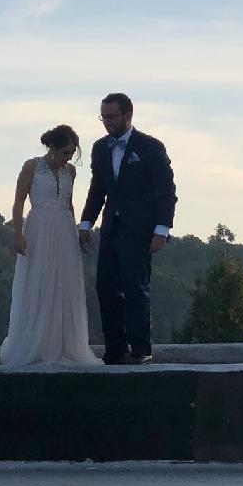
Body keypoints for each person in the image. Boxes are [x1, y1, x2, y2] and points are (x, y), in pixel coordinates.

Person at [78, 93, 178, 366]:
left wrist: (161, 230)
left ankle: (140, 349)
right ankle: (115, 350)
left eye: (112, 116)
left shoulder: (150, 147)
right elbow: (98, 189)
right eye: (103, 117)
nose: (107, 122)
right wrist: (86, 224)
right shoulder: (100, 148)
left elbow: (166, 191)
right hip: (111, 229)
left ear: (128, 115)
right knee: (106, 288)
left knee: (136, 288)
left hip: (140, 230)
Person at [0, 126, 100, 367]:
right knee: (39, 281)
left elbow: (69, 203)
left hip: (64, 229)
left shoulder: (70, 171)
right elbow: (18, 202)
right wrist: (17, 233)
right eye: (65, 152)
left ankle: (63, 344)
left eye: (72, 153)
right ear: (52, 148)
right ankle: (36, 343)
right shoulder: (31, 167)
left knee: (65, 285)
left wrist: (78, 232)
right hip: (39, 229)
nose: (68, 157)